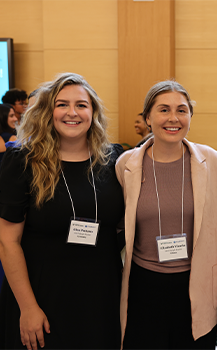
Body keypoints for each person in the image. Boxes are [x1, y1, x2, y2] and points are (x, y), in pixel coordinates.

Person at [0, 72, 125, 350]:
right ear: (48, 111)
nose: (72, 112)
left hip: (101, 294)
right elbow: (8, 242)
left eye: (81, 105)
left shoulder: (113, 160)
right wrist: (28, 307)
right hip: (43, 296)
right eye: (62, 104)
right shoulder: (22, 162)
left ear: (93, 112)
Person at [116, 80, 217, 349]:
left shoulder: (211, 160)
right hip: (143, 285)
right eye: (163, 110)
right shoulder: (126, 164)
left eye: (182, 110)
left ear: (190, 117)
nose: (173, 118)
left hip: (196, 283)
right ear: (148, 118)